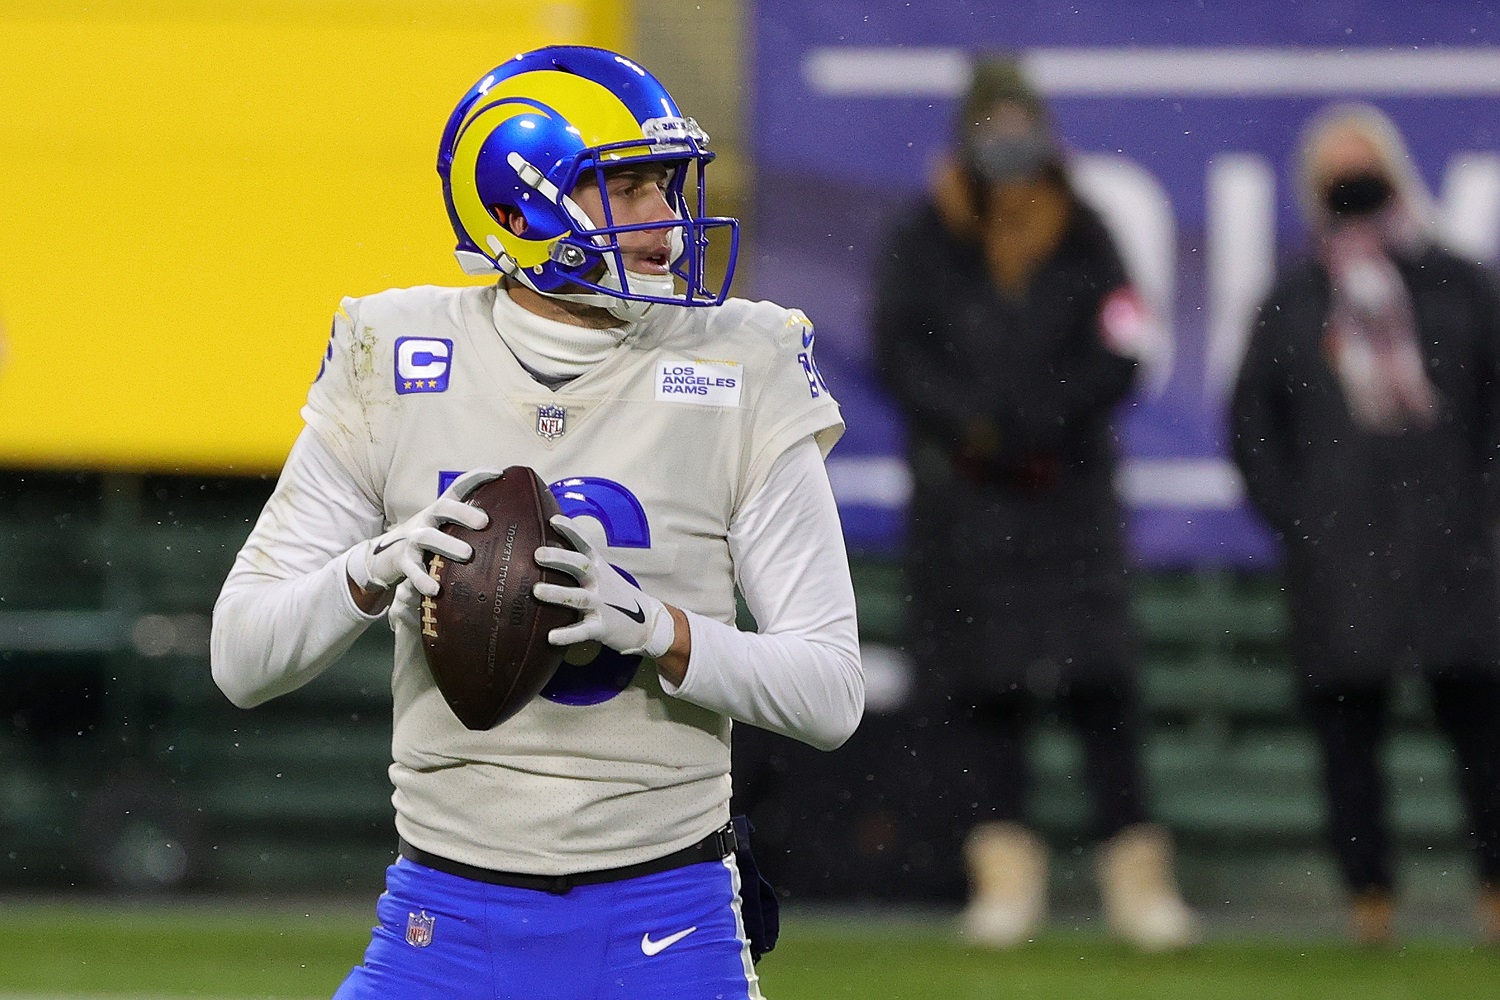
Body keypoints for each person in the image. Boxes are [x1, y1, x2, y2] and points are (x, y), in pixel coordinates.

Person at [210, 45, 863, 999]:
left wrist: (659, 631)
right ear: (519, 209)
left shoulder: (743, 361)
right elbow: (240, 659)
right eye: (627, 189)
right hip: (442, 916)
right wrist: (375, 567)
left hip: (668, 917)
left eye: (670, 186)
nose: (668, 223)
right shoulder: (396, 352)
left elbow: (830, 693)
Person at [869, 55, 1197, 951]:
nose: (1008, 141)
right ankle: (1005, 883)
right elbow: (895, 353)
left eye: (1022, 122)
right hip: (968, 506)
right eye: (993, 122)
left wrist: (1046, 415)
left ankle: (1139, 886)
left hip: (1069, 501)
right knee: (987, 696)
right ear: (966, 133)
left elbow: (1126, 344)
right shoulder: (922, 237)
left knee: (1102, 693)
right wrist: (974, 425)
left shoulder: (1089, 233)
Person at [1230, 101, 1500, 946]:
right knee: (1349, 737)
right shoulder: (1295, 299)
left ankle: (1494, 890)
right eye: (1335, 175)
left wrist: (1480, 509)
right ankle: (1370, 898)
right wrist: (1304, 521)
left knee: (1482, 734)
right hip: (1341, 558)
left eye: (1364, 169)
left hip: (1458, 551)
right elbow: (1252, 427)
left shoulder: (1460, 284)